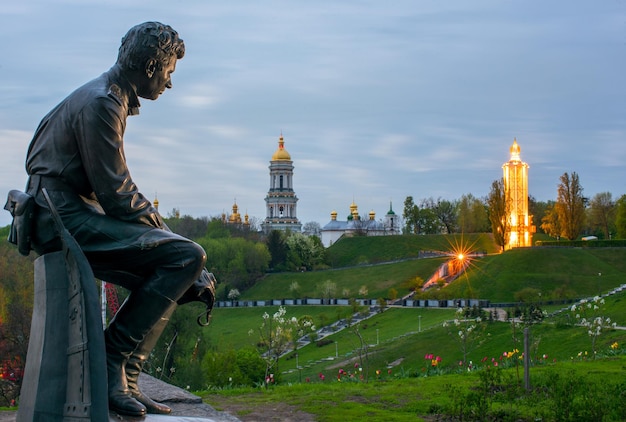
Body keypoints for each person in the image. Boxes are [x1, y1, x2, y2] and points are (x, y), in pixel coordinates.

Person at [24, 22, 214, 417]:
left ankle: (127, 373)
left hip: (63, 212)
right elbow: (118, 195)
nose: (169, 83)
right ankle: (113, 361)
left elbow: (115, 192)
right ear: (149, 66)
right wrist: (174, 242)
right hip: (62, 217)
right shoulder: (102, 102)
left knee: (177, 268)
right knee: (183, 258)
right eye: (168, 72)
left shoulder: (104, 97)